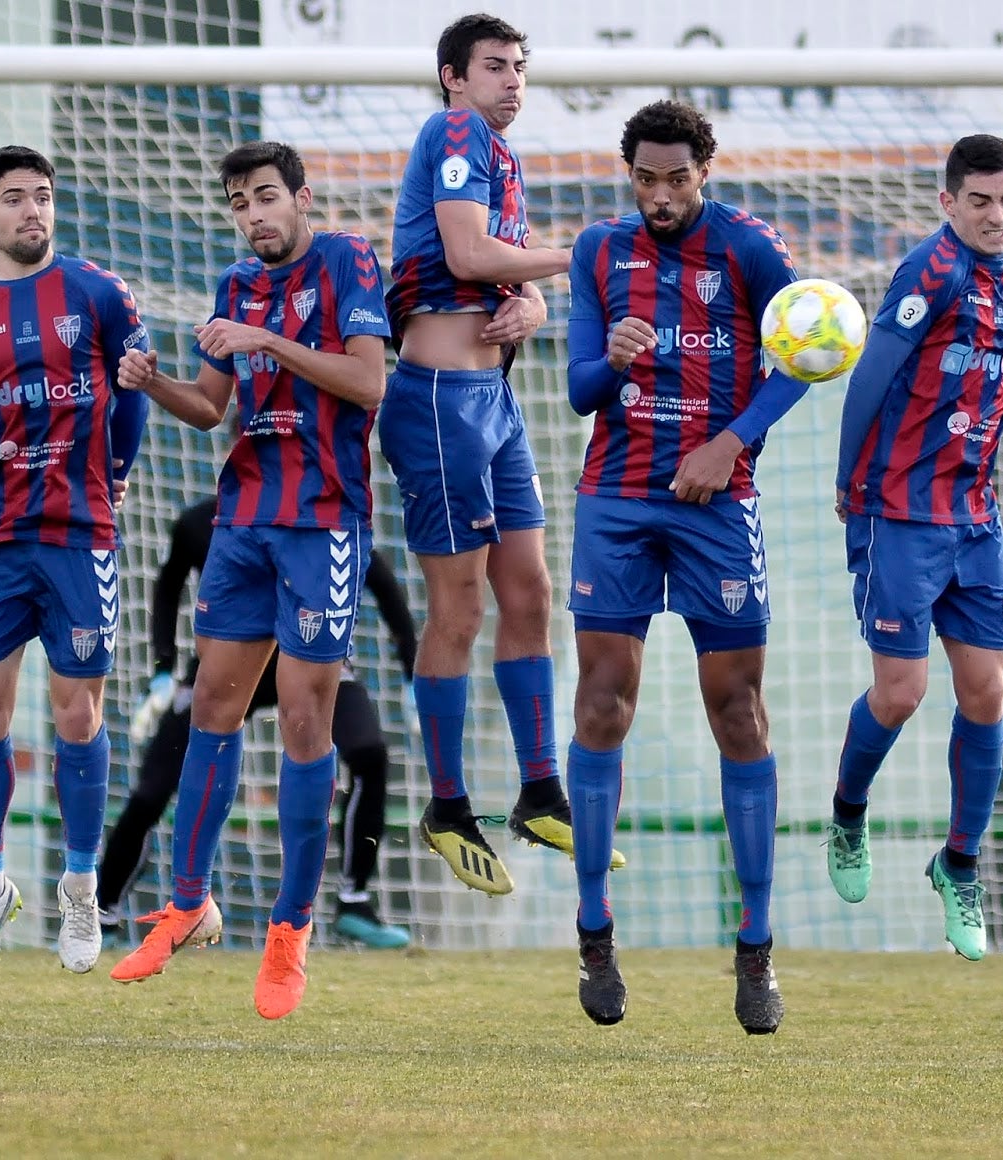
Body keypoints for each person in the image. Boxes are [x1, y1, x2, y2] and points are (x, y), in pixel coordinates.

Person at [109, 140, 390, 1019]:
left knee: (306, 724)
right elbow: (210, 407)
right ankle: (188, 906)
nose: (254, 215)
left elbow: (369, 383)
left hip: (323, 523)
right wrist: (152, 382)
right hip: (243, 524)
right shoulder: (235, 285)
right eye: (239, 204)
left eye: (265, 196)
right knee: (210, 711)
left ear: (300, 197)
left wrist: (267, 338)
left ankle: (290, 933)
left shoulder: (346, 260)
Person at [563, 100, 808, 1035]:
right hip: (618, 500)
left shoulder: (750, 248)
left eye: (677, 179)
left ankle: (756, 947)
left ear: (706, 171)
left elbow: (803, 359)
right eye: (645, 179)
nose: (660, 196)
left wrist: (730, 443)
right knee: (602, 705)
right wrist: (612, 360)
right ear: (629, 175)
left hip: (719, 502)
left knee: (738, 711)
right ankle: (595, 932)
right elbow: (579, 387)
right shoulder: (599, 250)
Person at [0, 144, 152, 978]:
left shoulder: (99, 293)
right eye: (16, 198)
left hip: (79, 534)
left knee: (76, 716)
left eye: (44, 196)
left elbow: (132, 392)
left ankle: (82, 888)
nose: (33, 211)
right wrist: (5, 462)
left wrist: (114, 470)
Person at [828, 134, 1003, 963]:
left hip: (975, 516)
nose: (996, 215)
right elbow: (871, 375)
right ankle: (848, 813)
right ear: (948, 202)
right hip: (900, 513)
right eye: (979, 200)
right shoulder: (930, 272)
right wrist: (848, 481)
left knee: (987, 692)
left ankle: (958, 863)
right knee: (903, 692)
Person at [379, 12, 579, 897]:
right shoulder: (455, 131)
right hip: (439, 404)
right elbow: (465, 253)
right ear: (453, 78)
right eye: (495, 66)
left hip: (492, 400)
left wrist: (531, 305)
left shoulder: (502, 156)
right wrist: (579, 258)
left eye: (520, 67)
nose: (513, 81)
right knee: (458, 609)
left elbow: (496, 270)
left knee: (529, 590)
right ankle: (449, 805)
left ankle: (539, 791)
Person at [111, 495, 417, 950]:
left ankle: (354, 900)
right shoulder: (208, 524)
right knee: (154, 786)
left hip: (309, 656)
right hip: (234, 661)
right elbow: (168, 584)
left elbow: (381, 580)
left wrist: (412, 671)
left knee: (370, 754)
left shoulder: (324, 513)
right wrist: (164, 667)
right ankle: (105, 907)